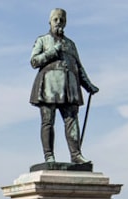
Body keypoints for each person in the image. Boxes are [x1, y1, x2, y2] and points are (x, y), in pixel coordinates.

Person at [30, 8, 99, 165]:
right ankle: (49, 156)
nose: (59, 22)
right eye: (56, 19)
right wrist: (53, 52)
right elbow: (34, 61)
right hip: (48, 86)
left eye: (62, 20)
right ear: (50, 21)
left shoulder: (71, 44)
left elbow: (78, 67)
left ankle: (76, 155)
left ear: (66, 22)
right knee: (48, 121)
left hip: (69, 88)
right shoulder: (42, 40)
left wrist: (89, 85)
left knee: (72, 121)